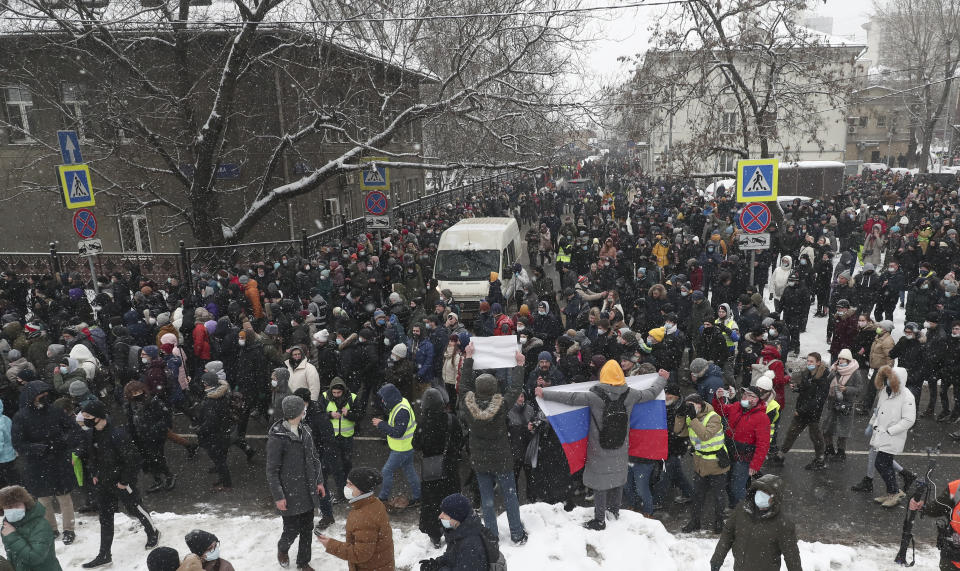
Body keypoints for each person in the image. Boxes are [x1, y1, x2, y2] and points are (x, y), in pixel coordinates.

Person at [538, 360, 668, 527]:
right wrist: (662, 379)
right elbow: (651, 393)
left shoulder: (594, 396)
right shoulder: (631, 394)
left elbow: (570, 398)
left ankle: (599, 520)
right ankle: (614, 512)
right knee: (618, 478)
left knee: (600, 483)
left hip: (598, 447)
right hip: (621, 445)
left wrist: (545, 393)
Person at [458, 342, 528, 544]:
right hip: (502, 458)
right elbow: (515, 388)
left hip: (480, 459)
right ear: (494, 388)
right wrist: (519, 365)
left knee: (487, 500)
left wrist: (469, 358)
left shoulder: (467, 404)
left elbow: (463, 386)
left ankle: (492, 535)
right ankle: (516, 533)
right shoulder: (502, 405)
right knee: (510, 496)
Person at [79, 400, 160, 568]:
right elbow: (92, 456)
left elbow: (133, 460)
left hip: (120, 483)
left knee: (135, 508)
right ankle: (104, 554)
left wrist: (124, 481)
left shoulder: (118, 435)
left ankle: (153, 532)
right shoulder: (90, 434)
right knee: (105, 518)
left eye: (88, 416)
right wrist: (94, 473)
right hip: (102, 483)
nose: (84, 419)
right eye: (84, 416)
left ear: (99, 417)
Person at [10, 381, 78, 545]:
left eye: (45, 396)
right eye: (41, 396)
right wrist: (36, 448)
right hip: (36, 463)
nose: (44, 398)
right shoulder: (21, 417)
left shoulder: (55, 411)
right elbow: (18, 443)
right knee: (43, 499)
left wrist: (62, 441)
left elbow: (72, 428)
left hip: (58, 459)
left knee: (64, 496)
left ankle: (69, 529)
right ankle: (51, 529)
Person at [266, 395, 325, 571]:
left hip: (307, 491)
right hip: (289, 494)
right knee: (291, 530)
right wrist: (278, 496)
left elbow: (315, 458)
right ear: (297, 412)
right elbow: (272, 470)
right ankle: (283, 549)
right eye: (302, 409)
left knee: (307, 528)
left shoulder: (305, 430)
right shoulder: (277, 438)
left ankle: (303, 562)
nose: (305, 411)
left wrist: (319, 481)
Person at [709, 474, 802, 571]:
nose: (761, 495)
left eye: (766, 493)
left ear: (774, 498)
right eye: (759, 491)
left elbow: (792, 556)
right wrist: (717, 558)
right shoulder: (741, 510)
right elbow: (728, 533)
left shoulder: (782, 524)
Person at [316, 467, 395, 571]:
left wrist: (330, 545)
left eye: (350, 484)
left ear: (361, 488)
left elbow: (360, 554)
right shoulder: (374, 503)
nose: (346, 487)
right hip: (380, 565)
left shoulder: (364, 517)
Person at [412, 388, 463, 548]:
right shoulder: (451, 420)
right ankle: (452, 532)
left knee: (431, 504)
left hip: (430, 471)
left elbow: (415, 445)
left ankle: (435, 535)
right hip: (449, 468)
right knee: (451, 502)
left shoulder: (422, 423)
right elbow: (460, 440)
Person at [676, 393, 729, 534]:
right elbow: (679, 432)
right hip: (700, 463)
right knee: (697, 496)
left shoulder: (714, 417)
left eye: (692, 405)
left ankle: (719, 522)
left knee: (719, 496)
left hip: (716, 463)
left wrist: (692, 418)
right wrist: (680, 416)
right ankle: (695, 522)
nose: (690, 408)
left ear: (700, 404)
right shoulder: (690, 417)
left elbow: (705, 436)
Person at [712, 385, 770, 507]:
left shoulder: (762, 417)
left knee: (737, 487)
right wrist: (718, 398)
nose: (747, 398)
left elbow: (763, 444)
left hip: (744, 458)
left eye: (751, 396)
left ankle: (744, 512)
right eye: (745, 394)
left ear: (758, 400)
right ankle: (734, 508)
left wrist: (755, 465)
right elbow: (719, 410)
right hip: (729, 454)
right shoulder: (736, 407)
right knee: (728, 484)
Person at [772, 352, 831, 470]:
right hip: (802, 409)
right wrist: (797, 388)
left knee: (815, 436)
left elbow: (818, 399)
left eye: (811, 361)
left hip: (812, 412)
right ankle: (781, 454)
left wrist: (802, 410)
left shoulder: (823, 378)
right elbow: (806, 389)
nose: (809, 363)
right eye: (808, 361)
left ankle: (820, 459)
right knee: (791, 432)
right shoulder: (807, 373)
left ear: (818, 363)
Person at [869, 366, 916, 508]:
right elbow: (879, 411)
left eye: (891, 378)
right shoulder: (885, 391)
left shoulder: (907, 396)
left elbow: (909, 420)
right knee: (885, 464)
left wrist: (890, 431)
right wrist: (874, 424)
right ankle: (892, 491)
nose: (888, 380)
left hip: (892, 436)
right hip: (880, 434)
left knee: (881, 463)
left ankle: (894, 492)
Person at [418, 493, 498, 571]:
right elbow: (452, 556)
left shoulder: (471, 546)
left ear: (456, 518)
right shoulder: (460, 532)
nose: (440, 516)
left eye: (445, 513)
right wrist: (437, 563)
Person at [373, 383, 421, 508]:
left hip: (402, 449)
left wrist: (381, 424)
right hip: (406, 446)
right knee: (409, 471)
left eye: (384, 398)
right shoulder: (401, 402)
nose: (383, 401)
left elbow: (397, 433)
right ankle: (418, 497)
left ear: (391, 398)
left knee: (387, 471)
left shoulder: (401, 412)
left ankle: (383, 498)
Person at [0, 484, 60, 570]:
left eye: (17, 505)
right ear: (3, 509)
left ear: (26, 505)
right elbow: (12, 554)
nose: (13, 510)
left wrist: (12, 536)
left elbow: (35, 558)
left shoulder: (41, 525)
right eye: (9, 507)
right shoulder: (7, 526)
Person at [821, 348, 863, 462]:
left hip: (846, 405)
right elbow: (827, 381)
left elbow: (859, 389)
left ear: (849, 360)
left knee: (842, 430)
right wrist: (833, 371)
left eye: (843, 358)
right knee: (827, 427)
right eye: (839, 358)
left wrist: (846, 389)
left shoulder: (855, 372)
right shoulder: (836, 369)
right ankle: (829, 449)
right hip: (832, 402)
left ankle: (841, 453)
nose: (841, 360)